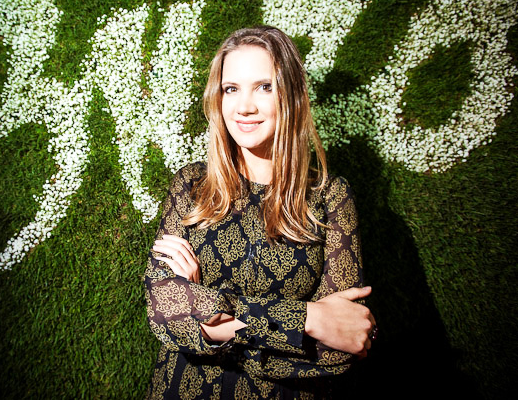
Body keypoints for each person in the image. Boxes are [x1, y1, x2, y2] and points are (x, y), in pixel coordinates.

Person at [143, 26, 376, 399]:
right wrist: (308, 318)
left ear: (291, 95)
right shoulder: (191, 186)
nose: (244, 107)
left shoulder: (331, 196)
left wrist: (208, 314)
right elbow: (164, 311)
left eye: (264, 87)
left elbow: (339, 348)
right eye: (231, 89)